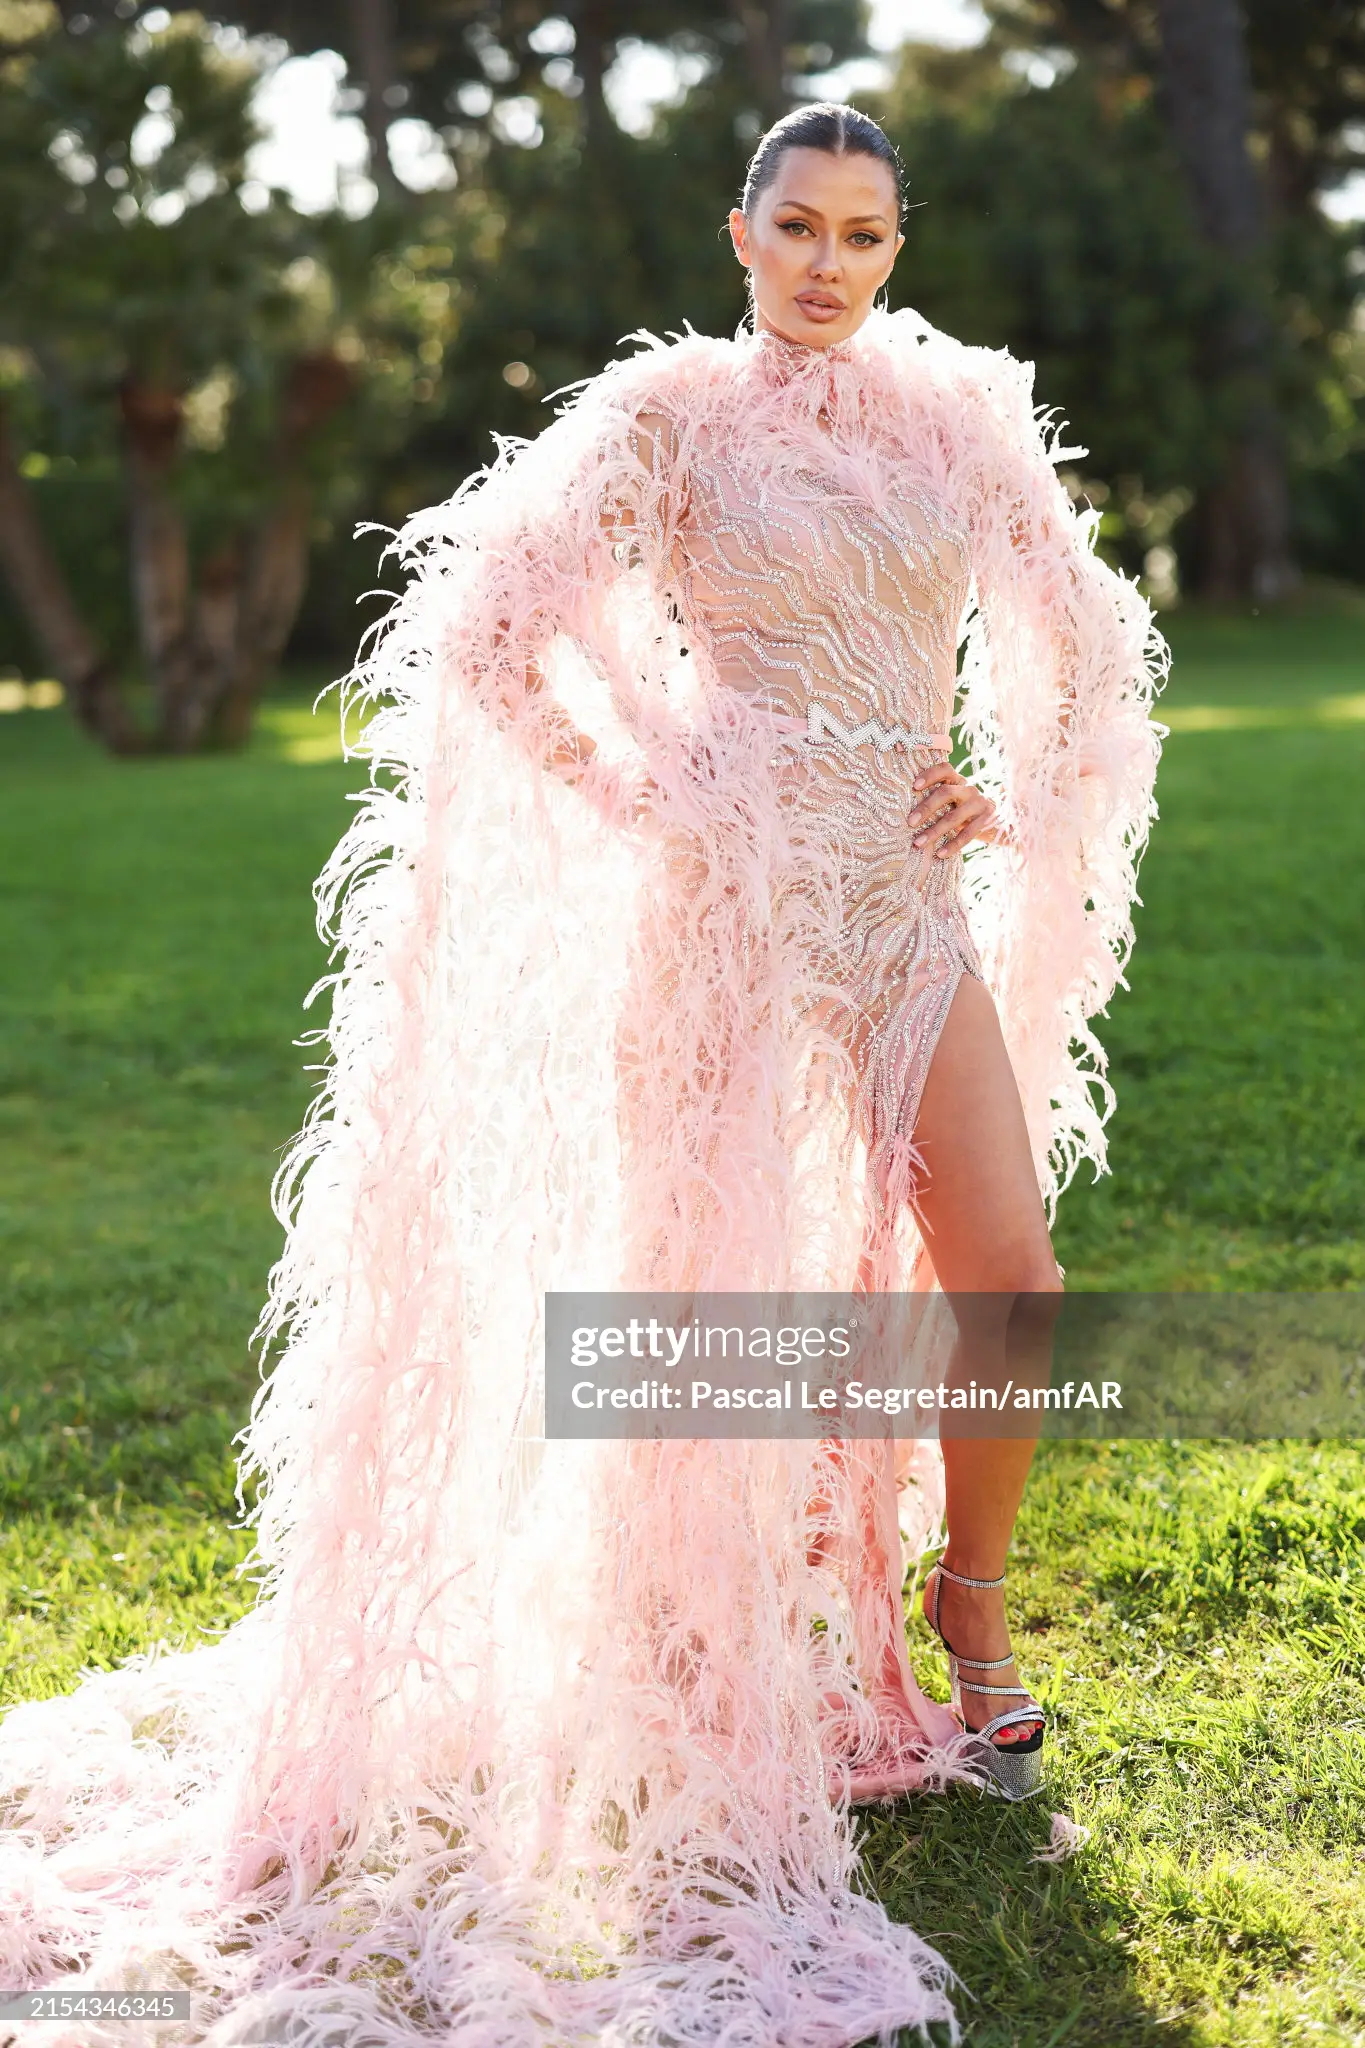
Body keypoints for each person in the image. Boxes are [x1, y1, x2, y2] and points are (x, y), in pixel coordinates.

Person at [0, 103, 1165, 2048]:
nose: (827, 263)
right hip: (721, 910)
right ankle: (694, 1661)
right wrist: (653, 791)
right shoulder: (664, 417)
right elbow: (482, 632)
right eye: (797, 226)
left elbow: (1085, 633)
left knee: (1008, 1270)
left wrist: (1009, 783)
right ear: (739, 232)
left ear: (896, 247)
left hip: (895, 904)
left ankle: (964, 1603)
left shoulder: (953, 418)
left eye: (863, 234)